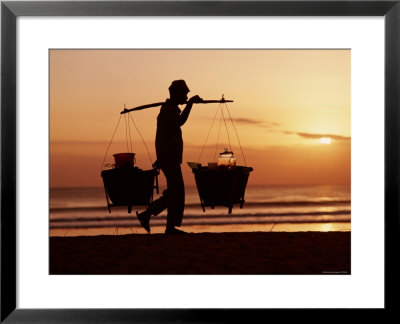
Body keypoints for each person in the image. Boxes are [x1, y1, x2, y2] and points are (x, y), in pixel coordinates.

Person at [136, 80, 202, 234]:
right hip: (169, 158)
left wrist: (189, 103)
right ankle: (149, 215)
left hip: (169, 157)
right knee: (175, 191)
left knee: (176, 191)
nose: (186, 96)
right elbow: (180, 122)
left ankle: (169, 226)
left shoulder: (170, 110)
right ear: (176, 94)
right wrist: (190, 104)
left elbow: (165, 135)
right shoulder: (167, 111)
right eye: (185, 93)